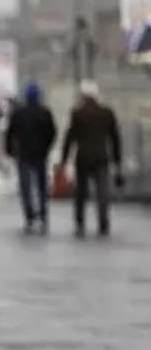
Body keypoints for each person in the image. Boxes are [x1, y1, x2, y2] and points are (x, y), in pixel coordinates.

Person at [59, 80, 123, 237]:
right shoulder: (106, 113)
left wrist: (64, 159)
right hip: (102, 157)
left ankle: (80, 222)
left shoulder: (77, 114)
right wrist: (117, 160)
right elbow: (115, 138)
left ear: (83, 96)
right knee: (102, 193)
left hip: (83, 158)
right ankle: (103, 222)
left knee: (81, 193)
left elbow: (70, 137)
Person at [5, 82, 57, 233]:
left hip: (24, 154)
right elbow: (52, 132)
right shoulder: (45, 112)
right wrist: (47, 147)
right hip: (40, 154)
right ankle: (43, 214)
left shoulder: (18, 113)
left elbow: (10, 133)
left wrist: (11, 149)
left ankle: (29, 216)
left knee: (26, 187)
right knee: (41, 186)